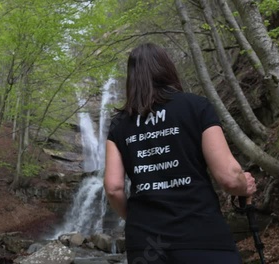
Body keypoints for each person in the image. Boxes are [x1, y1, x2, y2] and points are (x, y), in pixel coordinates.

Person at [104, 42, 257, 264]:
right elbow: (230, 179)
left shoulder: (119, 125)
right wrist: (246, 185)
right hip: (200, 234)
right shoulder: (197, 106)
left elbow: (113, 188)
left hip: (145, 244)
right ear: (167, 69)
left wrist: (137, 219)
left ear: (132, 78)